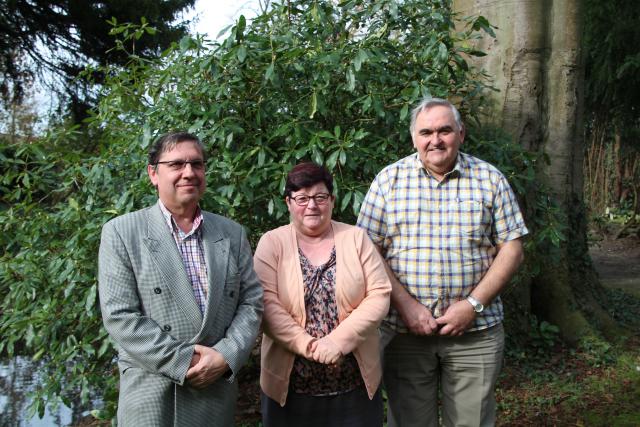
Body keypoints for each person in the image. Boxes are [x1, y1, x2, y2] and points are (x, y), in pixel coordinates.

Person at [357, 97, 529, 427]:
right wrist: (406, 305)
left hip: (476, 333)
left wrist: (473, 305)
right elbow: (367, 251)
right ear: (413, 138)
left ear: (461, 134)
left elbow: (512, 248)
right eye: (426, 132)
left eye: (444, 130)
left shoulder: (489, 179)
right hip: (404, 333)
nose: (435, 140)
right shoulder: (389, 181)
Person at [98, 131, 263, 427]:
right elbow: (120, 316)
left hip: (214, 391)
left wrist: (225, 356)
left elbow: (251, 303)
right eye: (176, 164)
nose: (189, 173)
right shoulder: (122, 232)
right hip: (153, 395)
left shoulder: (231, 233)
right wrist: (185, 361)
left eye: (196, 164)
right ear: (153, 174)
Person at [253, 162, 391, 427]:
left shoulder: (356, 238)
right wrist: (310, 346)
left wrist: (338, 342)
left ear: (332, 200)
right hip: (289, 391)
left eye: (320, 197)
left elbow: (379, 295)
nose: (312, 206)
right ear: (288, 202)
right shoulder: (272, 243)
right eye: (302, 198)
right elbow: (265, 305)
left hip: (354, 387)